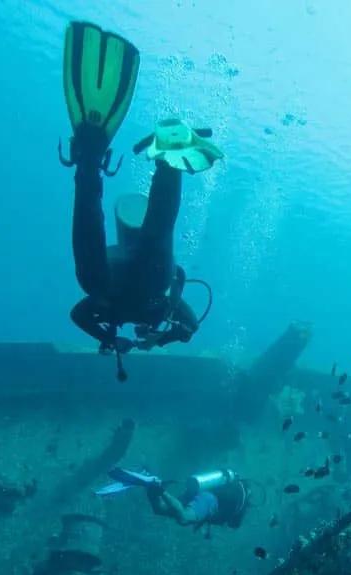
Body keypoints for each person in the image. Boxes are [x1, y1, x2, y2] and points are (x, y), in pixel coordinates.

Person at [59, 21, 222, 381]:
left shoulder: (144, 309)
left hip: (125, 277)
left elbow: (78, 315)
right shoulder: (165, 309)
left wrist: (115, 338)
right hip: (141, 278)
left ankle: (103, 159)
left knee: (122, 258)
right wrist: (157, 339)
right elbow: (190, 326)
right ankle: (148, 161)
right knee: (146, 249)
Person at [96, 467, 250, 530]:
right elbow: (234, 524)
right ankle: (160, 489)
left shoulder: (231, 486)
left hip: (200, 494)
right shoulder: (241, 502)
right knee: (183, 517)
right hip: (209, 500)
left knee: (160, 509)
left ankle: (152, 485)